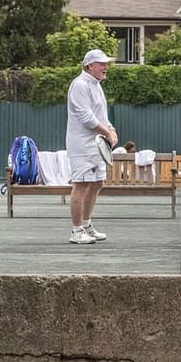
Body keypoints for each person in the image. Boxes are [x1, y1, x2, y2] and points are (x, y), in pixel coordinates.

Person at [66, 48, 117, 245]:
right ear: (89, 66)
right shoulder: (79, 85)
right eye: (102, 64)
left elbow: (100, 115)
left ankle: (86, 225)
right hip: (82, 145)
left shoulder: (96, 85)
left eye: (106, 63)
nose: (106, 67)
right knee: (81, 185)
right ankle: (76, 230)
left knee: (97, 183)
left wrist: (111, 129)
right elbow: (86, 118)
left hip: (96, 145)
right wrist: (108, 133)